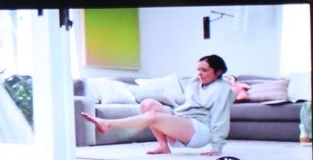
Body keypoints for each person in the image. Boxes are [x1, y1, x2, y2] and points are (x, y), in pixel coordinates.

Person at [80, 54, 247, 154]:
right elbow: (189, 104)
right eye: (198, 69)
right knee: (148, 104)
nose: (199, 74)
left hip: (200, 130)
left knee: (153, 116)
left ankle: (109, 124)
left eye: (204, 70)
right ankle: (163, 146)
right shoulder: (196, 82)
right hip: (184, 120)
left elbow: (220, 117)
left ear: (218, 72)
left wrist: (217, 147)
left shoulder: (221, 90)